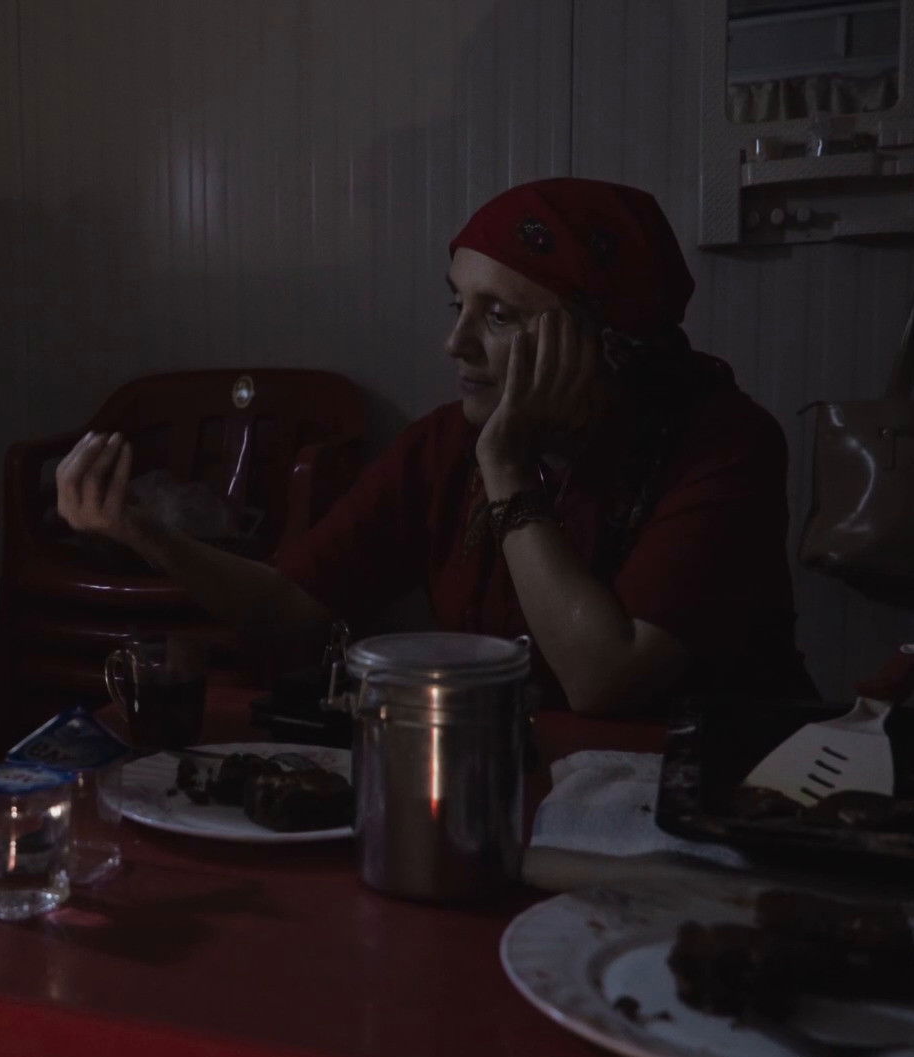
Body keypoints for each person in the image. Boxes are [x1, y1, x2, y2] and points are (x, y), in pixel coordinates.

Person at [57, 178, 812, 714]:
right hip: (521, 788)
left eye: (500, 316)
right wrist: (147, 535)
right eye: (458, 305)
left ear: (601, 340)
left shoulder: (722, 447)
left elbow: (604, 681)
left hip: (695, 806)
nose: (456, 342)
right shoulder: (445, 445)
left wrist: (507, 470)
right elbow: (291, 609)